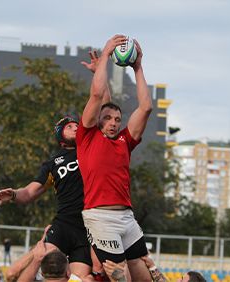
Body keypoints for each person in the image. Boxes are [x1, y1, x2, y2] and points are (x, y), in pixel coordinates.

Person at [0, 52, 109, 282]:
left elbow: (105, 107)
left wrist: (99, 75)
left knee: (80, 278)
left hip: (88, 227)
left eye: (78, 125)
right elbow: (31, 192)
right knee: (15, 274)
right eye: (69, 126)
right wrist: (14, 194)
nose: (76, 127)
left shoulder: (91, 147)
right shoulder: (52, 163)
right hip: (63, 223)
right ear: (60, 136)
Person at [76, 34, 153, 282]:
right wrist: (107, 55)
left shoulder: (124, 142)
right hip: (101, 218)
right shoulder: (87, 136)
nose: (113, 123)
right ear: (97, 119)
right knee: (122, 280)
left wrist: (138, 67)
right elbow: (98, 96)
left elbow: (146, 108)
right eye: (108, 118)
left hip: (127, 218)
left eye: (117, 120)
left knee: (147, 277)